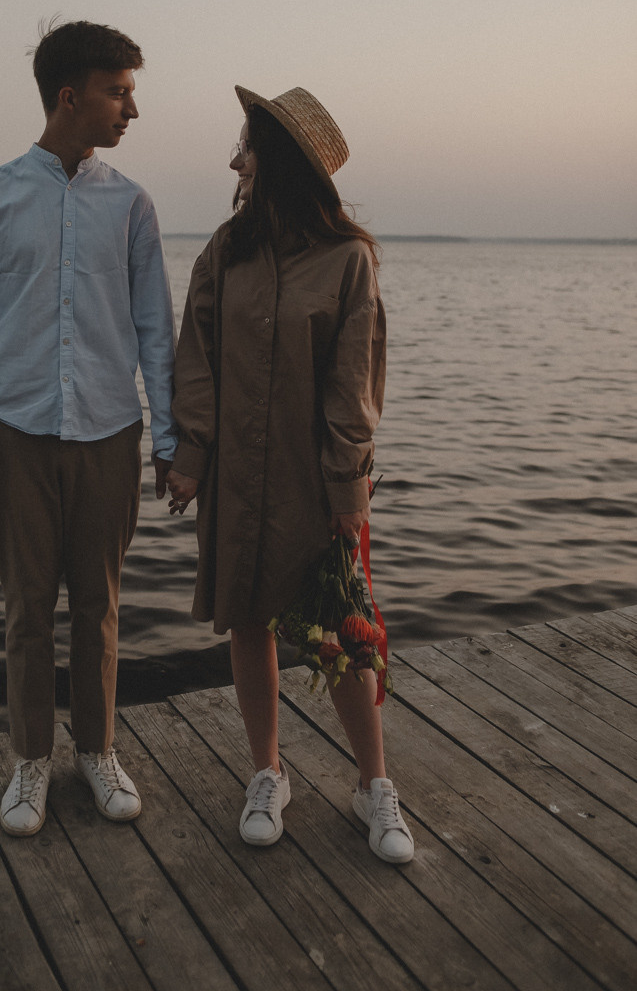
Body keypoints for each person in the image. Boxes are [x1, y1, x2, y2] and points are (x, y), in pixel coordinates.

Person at [0, 19, 176, 836]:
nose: (130, 110)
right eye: (118, 93)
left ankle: (98, 750)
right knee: (27, 608)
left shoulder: (131, 203)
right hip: (12, 430)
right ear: (70, 96)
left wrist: (169, 438)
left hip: (109, 431)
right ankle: (31, 760)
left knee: (99, 607)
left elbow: (155, 332)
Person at [165, 85, 413, 864]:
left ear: (274, 160)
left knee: (338, 633)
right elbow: (195, 359)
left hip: (314, 483)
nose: (233, 161)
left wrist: (347, 489)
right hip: (235, 476)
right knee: (248, 621)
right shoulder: (224, 252)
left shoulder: (347, 260)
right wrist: (190, 458)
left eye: (244, 146)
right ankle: (267, 773)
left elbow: (354, 385)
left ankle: (373, 785)